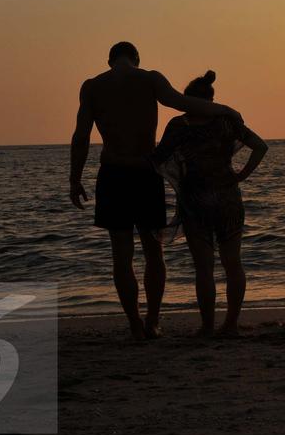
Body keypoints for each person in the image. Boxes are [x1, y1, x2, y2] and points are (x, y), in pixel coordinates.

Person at [70, 42, 244, 341]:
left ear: (110, 60)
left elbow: (82, 135)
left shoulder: (92, 86)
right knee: (154, 251)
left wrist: (74, 178)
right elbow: (180, 102)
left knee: (121, 255)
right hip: (146, 173)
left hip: (113, 173)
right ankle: (152, 320)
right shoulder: (149, 78)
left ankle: (135, 325)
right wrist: (224, 109)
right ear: (136, 59)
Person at [150, 70, 267, 337]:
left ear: (188, 100)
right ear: (211, 99)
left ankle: (207, 326)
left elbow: (157, 159)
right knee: (232, 263)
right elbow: (260, 146)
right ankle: (231, 325)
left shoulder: (179, 126)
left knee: (204, 268)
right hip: (228, 198)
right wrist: (242, 175)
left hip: (195, 201)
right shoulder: (226, 122)